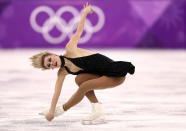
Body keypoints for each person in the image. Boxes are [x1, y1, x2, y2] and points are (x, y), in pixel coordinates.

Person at [30, 2, 135, 123]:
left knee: (84, 86)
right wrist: (51, 111)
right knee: (79, 79)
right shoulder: (62, 72)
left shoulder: (70, 49)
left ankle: (63, 110)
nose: (51, 63)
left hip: (115, 75)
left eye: (49, 60)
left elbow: (78, 31)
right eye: (48, 66)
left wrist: (84, 13)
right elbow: (56, 93)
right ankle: (97, 109)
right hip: (102, 75)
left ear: (52, 54)